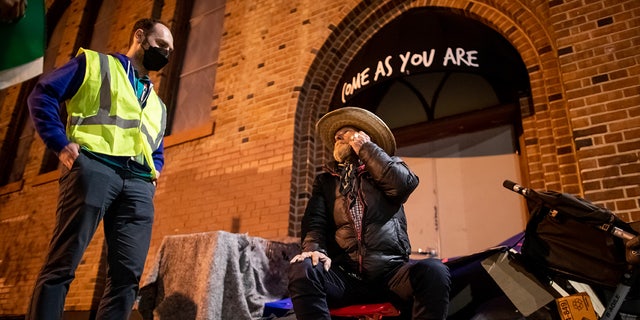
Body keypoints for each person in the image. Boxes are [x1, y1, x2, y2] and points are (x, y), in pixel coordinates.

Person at [26, 18, 173, 320]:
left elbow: (156, 146)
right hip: (93, 168)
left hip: (138, 185)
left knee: (127, 278)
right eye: (161, 45)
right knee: (62, 265)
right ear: (140, 37)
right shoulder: (94, 64)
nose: (166, 54)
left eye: (170, 50)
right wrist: (59, 143)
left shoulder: (157, 103)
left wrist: (154, 173)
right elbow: (43, 93)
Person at [288, 107, 451, 320]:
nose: (337, 137)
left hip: (391, 276)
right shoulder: (326, 181)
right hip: (346, 278)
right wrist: (313, 250)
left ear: (364, 136)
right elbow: (315, 222)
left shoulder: (388, 168)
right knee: (304, 268)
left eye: (345, 133)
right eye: (336, 137)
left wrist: (366, 148)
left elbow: (402, 186)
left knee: (434, 271)